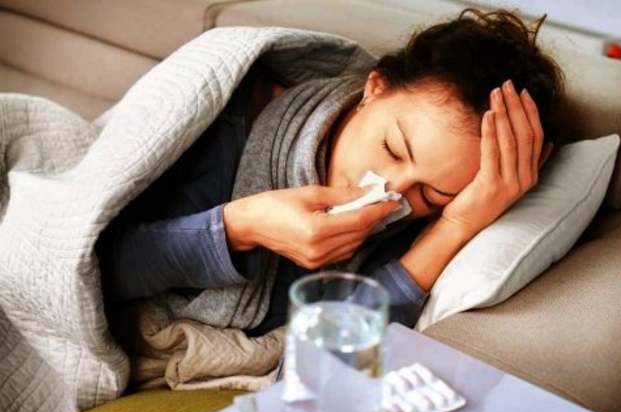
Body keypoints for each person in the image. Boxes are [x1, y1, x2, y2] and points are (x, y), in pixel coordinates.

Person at [95, 8, 564, 336]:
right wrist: (241, 227)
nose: (390, 193)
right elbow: (90, 269)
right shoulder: (224, 121)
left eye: (432, 193)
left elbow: (332, 360)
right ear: (374, 89)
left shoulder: (410, 229)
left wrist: (456, 224)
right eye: (392, 149)